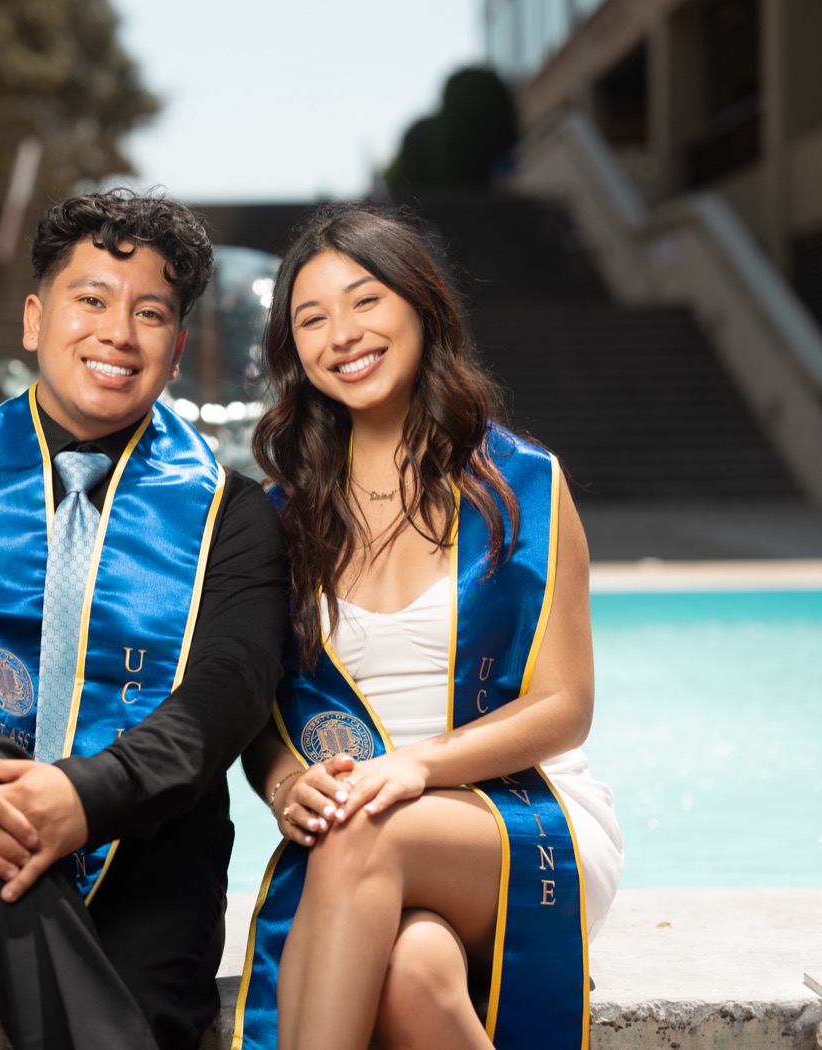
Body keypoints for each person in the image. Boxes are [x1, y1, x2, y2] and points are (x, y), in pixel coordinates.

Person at [0, 190, 288, 1050]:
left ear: (177, 349)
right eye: (92, 300)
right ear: (35, 320)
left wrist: (86, 796)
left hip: (150, 866)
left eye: (150, 313)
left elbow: (229, 693)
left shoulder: (234, 517)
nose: (118, 332)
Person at [233, 204, 622, 1050]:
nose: (343, 333)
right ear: (292, 351)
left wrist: (413, 769)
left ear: (421, 305)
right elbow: (252, 714)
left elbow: (565, 707)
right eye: (312, 318)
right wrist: (283, 784)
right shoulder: (277, 518)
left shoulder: (521, 484)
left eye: (365, 300)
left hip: (524, 819)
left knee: (365, 830)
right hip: (361, 834)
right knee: (412, 974)